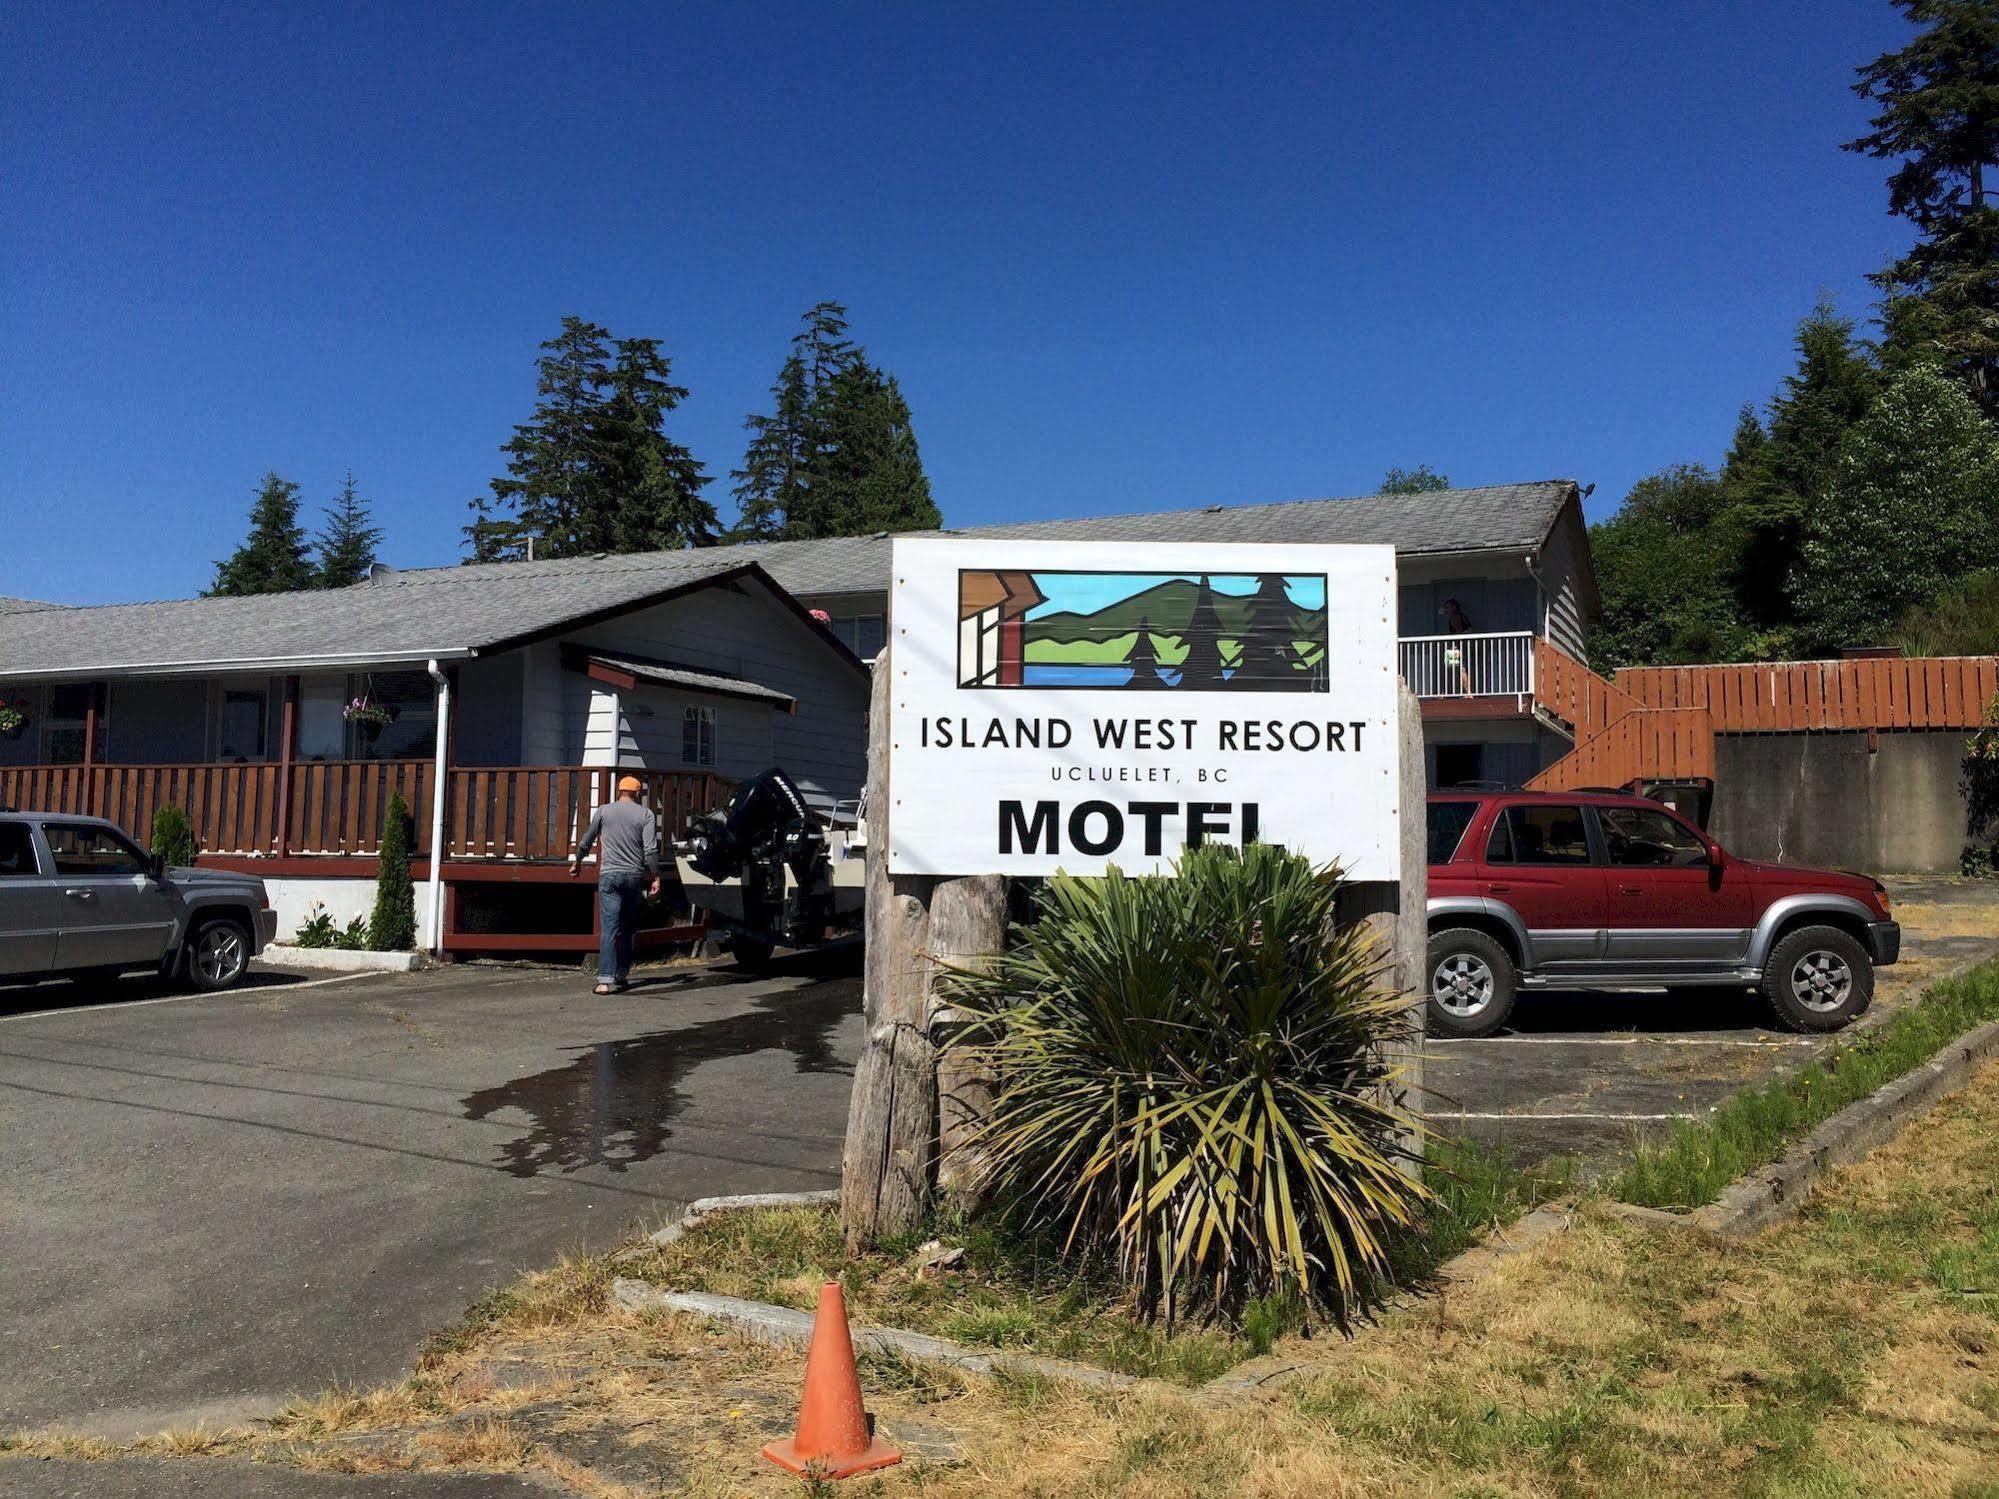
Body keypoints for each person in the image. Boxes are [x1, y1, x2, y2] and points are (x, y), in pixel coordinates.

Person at [569, 775, 661, 994]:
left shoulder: (603, 810)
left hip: (609, 875)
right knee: (628, 928)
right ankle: (622, 973)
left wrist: (577, 862)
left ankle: (604, 981)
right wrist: (656, 877)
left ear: (619, 791)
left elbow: (587, 839)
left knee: (609, 928)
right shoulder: (646, 814)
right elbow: (650, 850)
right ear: (638, 793)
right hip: (633, 876)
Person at [1440, 596, 1474, 696]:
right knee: (1454, 668)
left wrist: (1455, 645)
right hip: (1461, 645)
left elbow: (1458, 632)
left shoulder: (1456, 616)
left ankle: (1466, 692)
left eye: (1447, 607)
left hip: (1458, 646)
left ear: (1453, 607)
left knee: (1458, 668)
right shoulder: (1458, 616)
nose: (1446, 609)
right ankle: (1446, 692)